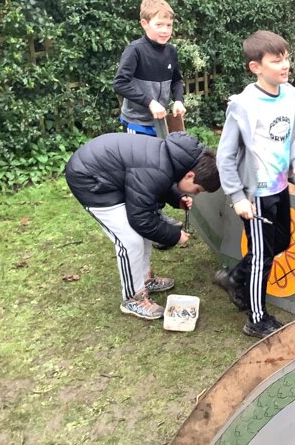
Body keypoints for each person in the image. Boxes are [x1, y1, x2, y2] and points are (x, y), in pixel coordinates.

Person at [214, 31, 295, 339]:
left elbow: (292, 135)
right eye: (276, 60)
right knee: (262, 256)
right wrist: (237, 196)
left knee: (280, 243)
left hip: (280, 188)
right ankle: (256, 319)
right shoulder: (243, 105)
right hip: (255, 195)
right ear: (256, 67)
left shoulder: (293, 96)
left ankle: (234, 279)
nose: (285, 65)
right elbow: (225, 156)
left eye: (287, 58)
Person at [65, 132, 221, 320]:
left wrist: (177, 197)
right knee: (130, 239)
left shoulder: (176, 159)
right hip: (89, 179)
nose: (196, 194)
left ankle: (145, 278)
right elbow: (141, 218)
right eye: (197, 189)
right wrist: (174, 235)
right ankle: (132, 298)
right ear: (190, 175)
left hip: (109, 174)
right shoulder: (157, 167)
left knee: (143, 229)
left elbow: (159, 182)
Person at [113, 0, 188, 231]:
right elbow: (120, 83)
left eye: (169, 25)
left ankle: (155, 213)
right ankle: (147, 218)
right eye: (159, 25)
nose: (165, 30)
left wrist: (178, 100)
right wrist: (149, 102)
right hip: (137, 122)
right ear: (145, 24)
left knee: (161, 169)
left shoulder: (171, 52)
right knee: (143, 172)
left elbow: (177, 81)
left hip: (160, 123)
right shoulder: (135, 50)